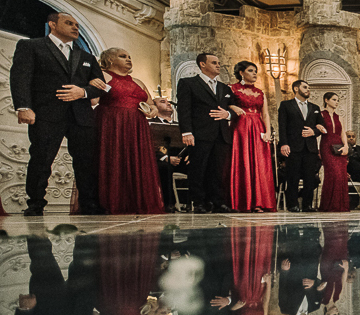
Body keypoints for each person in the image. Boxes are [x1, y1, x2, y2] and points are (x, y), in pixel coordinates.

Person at [9, 11, 106, 215]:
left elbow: (100, 86)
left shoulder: (87, 57)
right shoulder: (31, 46)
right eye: (69, 23)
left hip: (81, 116)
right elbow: (21, 77)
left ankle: (89, 204)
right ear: (52, 24)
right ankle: (35, 204)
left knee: (86, 161)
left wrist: (84, 92)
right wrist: (23, 107)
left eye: (77, 25)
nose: (75, 28)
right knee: (41, 159)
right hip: (46, 112)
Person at [91, 47, 164, 214]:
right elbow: (93, 99)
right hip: (112, 124)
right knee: (113, 160)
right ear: (109, 60)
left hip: (137, 126)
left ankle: (135, 202)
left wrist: (152, 111)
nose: (128, 59)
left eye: (129, 56)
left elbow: (151, 104)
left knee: (136, 161)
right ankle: (110, 202)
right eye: (123, 56)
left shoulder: (138, 82)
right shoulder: (104, 76)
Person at [176, 53, 235, 214]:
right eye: (214, 62)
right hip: (199, 133)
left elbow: (235, 108)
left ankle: (217, 201)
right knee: (198, 169)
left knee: (217, 170)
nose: (218, 65)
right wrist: (187, 132)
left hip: (221, 134)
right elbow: (184, 109)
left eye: (219, 62)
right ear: (202, 64)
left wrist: (228, 115)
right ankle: (198, 202)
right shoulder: (188, 83)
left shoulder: (225, 88)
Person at [228, 60, 276, 212]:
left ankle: (259, 202)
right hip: (241, 127)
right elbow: (223, 103)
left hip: (258, 127)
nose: (254, 73)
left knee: (260, 164)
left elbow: (265, 113)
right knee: (243, 161)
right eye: (250, 70)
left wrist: (268, 132)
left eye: (255, 71)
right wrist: (232, 106)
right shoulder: (231, 88)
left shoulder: (260, 92)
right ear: (241, 73)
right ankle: (243, 201)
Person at [276, 79, 323, 212]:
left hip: (310, 147)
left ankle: (307, 205)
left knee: (309, 177)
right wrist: (284, 144)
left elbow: (322, 127)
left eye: (308, 87)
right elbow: (282, 126)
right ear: (296, 89)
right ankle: (293, 204)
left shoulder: (315, 108)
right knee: (293, 176)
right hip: (293, 146)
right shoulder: (286, 105)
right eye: (305, 87)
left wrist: (313, 131)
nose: (308, 89)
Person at [319, 92, 350, 212]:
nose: (336, 102)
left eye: (338, 100)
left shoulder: (339, 117)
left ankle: (340, 205)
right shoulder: (321, 115)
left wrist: (346, 146)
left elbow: (342, 133)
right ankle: (329, 205)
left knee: (341, 175)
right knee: (332, 174)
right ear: (326, 100)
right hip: (326, 145)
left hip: (339, 147)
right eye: (334, 99)